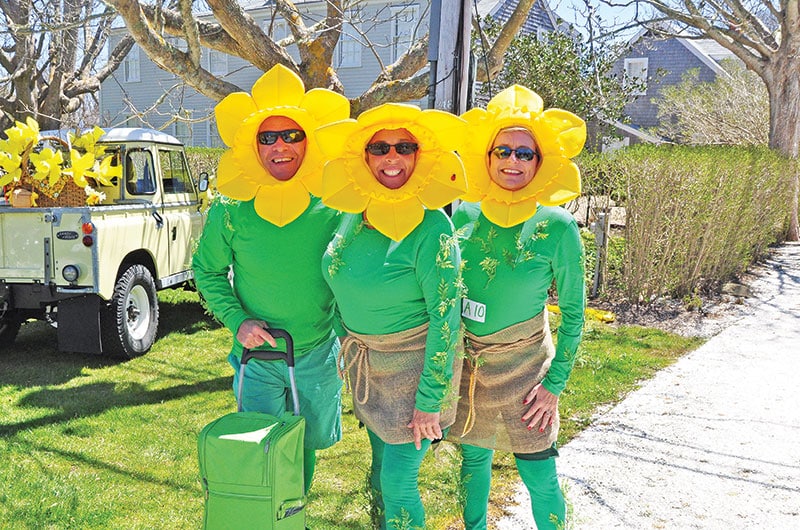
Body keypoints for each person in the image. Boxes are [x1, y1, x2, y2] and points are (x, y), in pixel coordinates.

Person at [192, 64, 350, 493]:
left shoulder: (335, 201)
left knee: (305, 446)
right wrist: (236, 320)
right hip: (256, 355)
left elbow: (355, 271)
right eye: (268, 137)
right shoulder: (231, 205)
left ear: (309, 140)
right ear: (254, 146)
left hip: (317, 351)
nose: (280, 146)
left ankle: (292, 515)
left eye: (291, 135)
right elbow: (205, 270)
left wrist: (350, 332)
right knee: (257, 445)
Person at [315, 103, 468, 529]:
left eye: (405, 145)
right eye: (379, 146)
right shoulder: (352, 216)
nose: (392, 157)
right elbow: (338, 281)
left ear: (422, 155)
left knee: (398, 481)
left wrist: (429, 402)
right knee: (382, 475)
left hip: (415, 371)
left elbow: (446, 321)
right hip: (373, 369)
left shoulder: (432, 227)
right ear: (363, 156)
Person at [450, 84, 587, 530]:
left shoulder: (558, 226)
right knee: (473, 468)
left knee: (539, 476)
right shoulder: (465, 213)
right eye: (502, 150)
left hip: (527, 375)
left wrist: (554, 384)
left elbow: (574, 313)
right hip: (471, 369)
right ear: (487, 157)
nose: (512, 161)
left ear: (541, 161)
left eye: (524, 154)